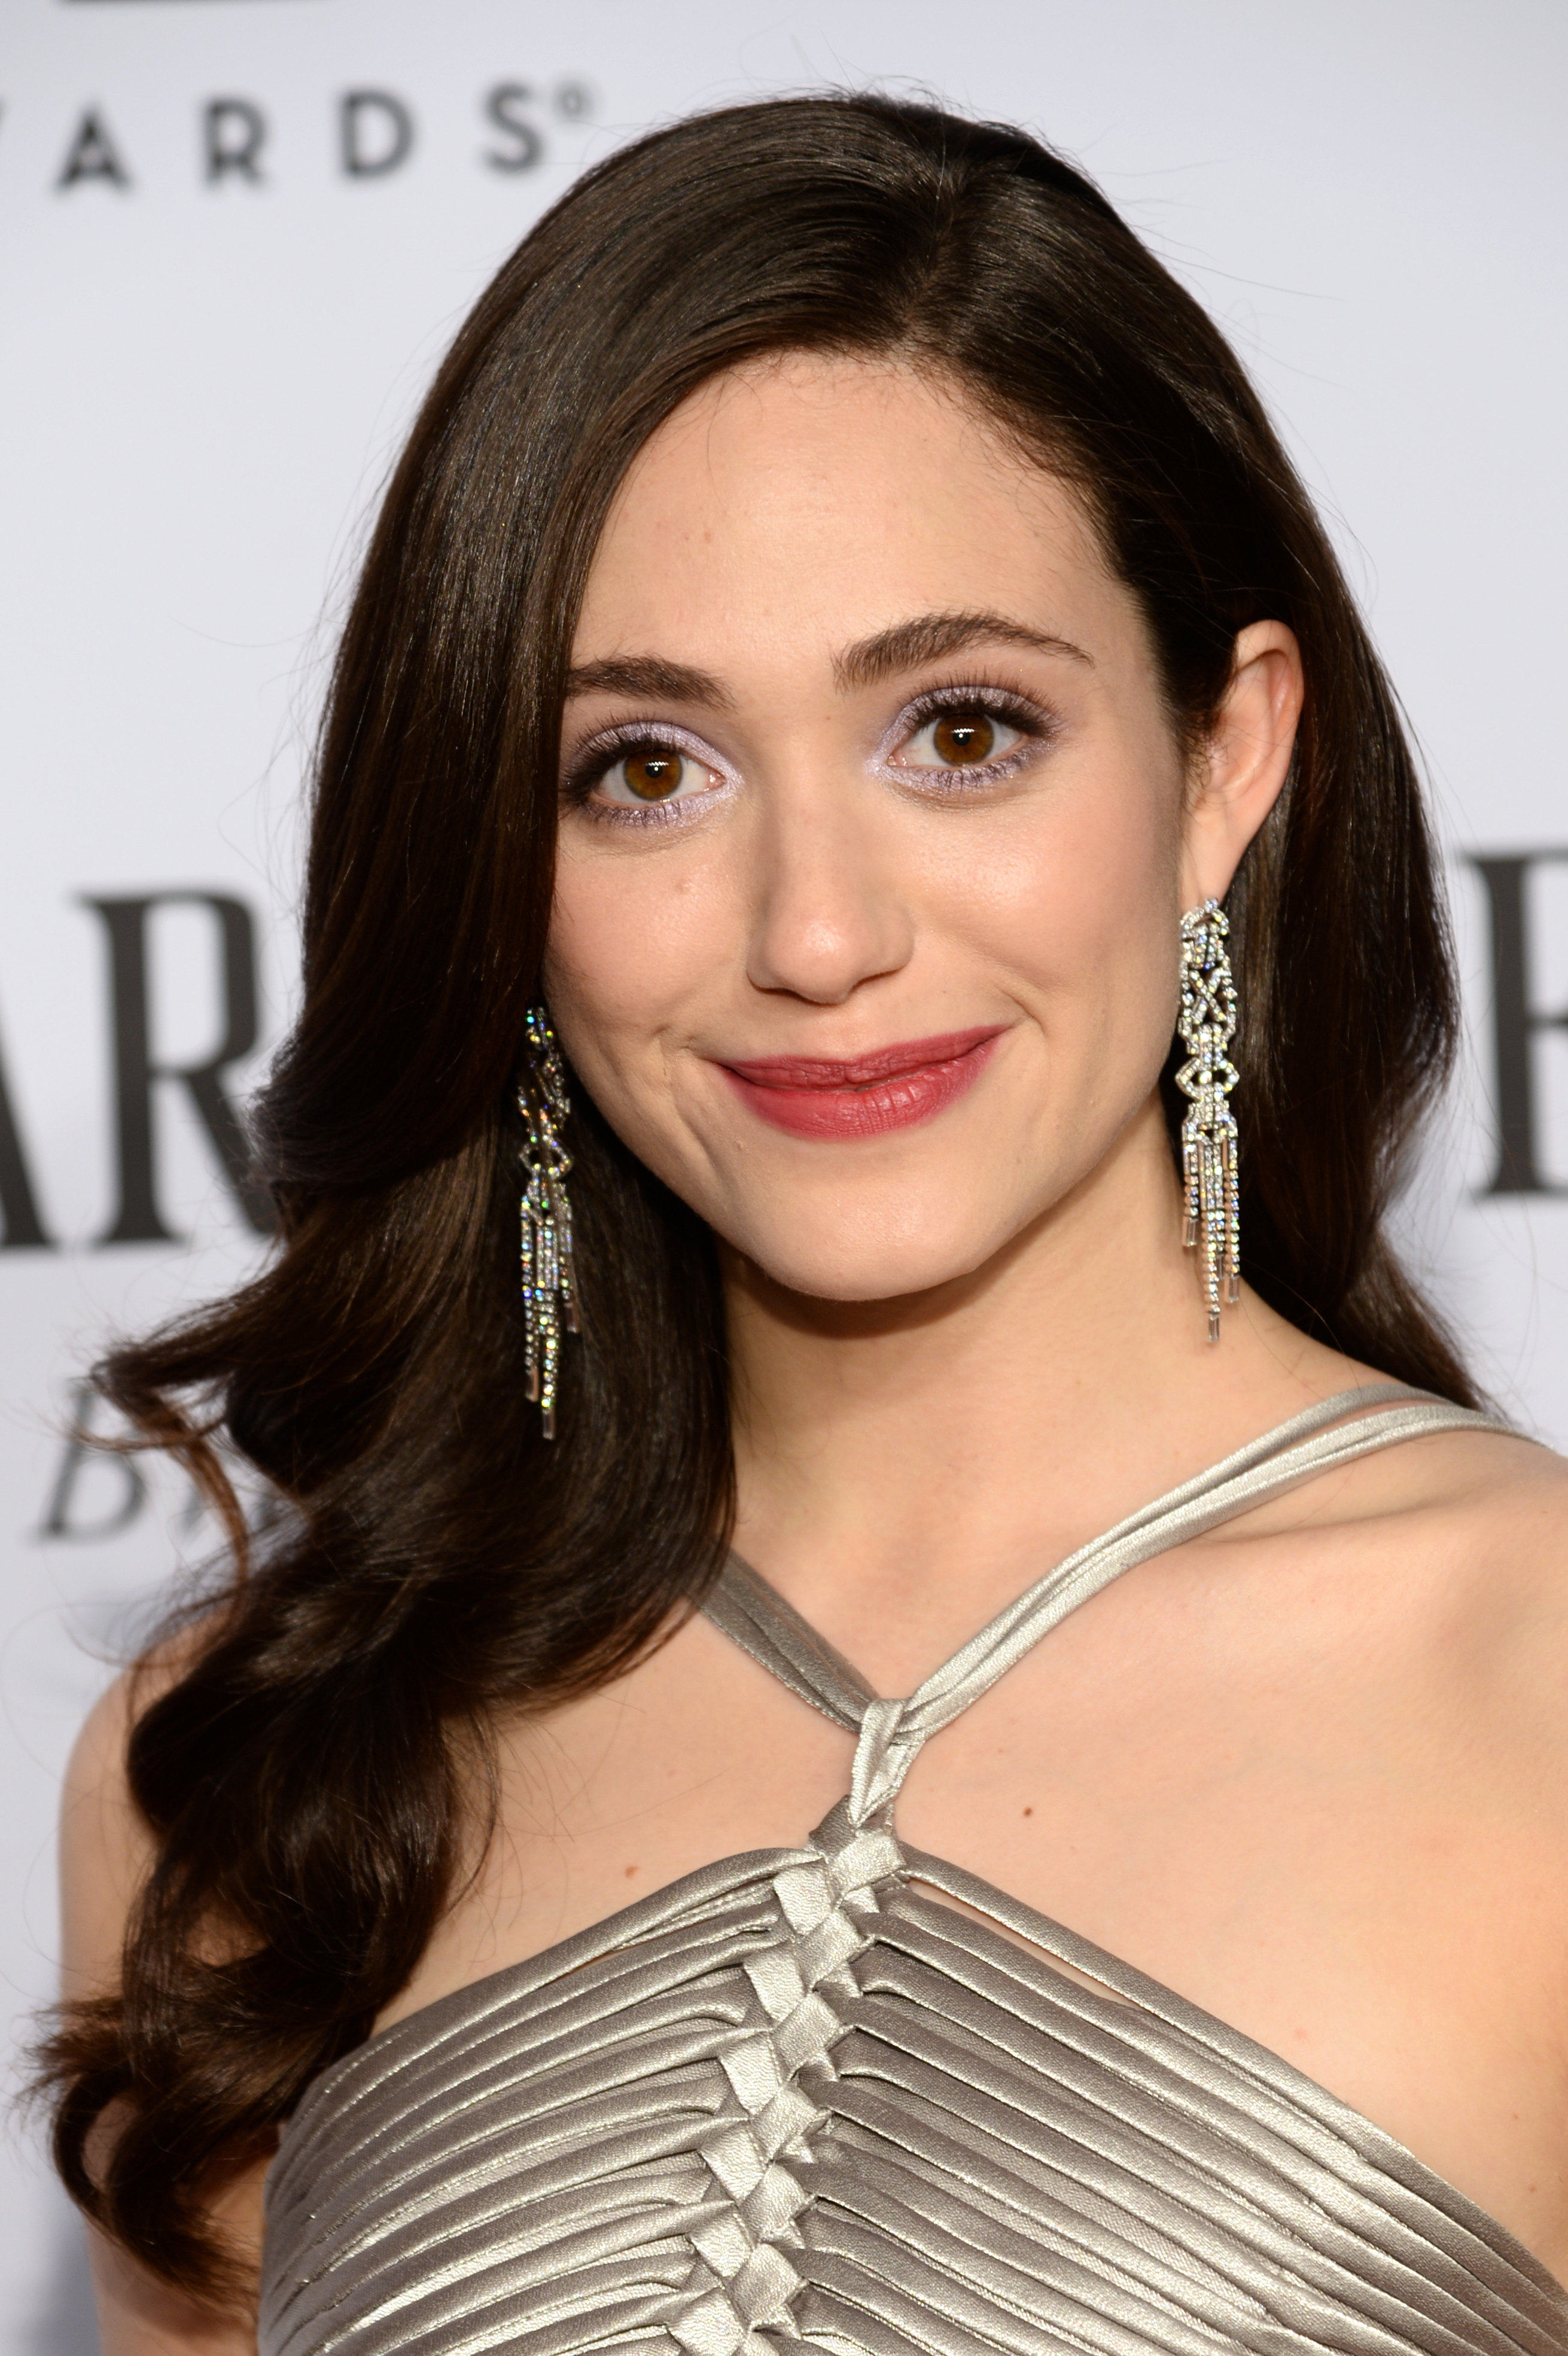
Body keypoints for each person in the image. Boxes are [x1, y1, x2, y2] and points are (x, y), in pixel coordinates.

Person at [45, 92, 1568, 2356]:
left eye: (961, 729)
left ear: (1227, 759)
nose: (819, 932)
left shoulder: (1535, 1680)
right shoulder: (264, 1768)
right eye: (646, 768)